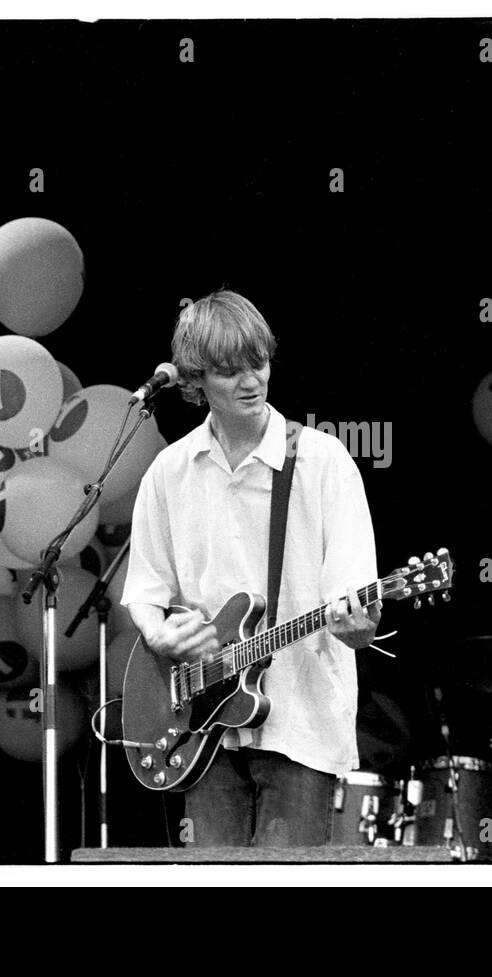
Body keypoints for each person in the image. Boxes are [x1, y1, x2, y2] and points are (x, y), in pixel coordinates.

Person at [122, 289, 381, 848]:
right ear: (194, 382)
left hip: (300, 723)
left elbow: (354, 601)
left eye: (257, 363)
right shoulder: (169, 471)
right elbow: (144, 589)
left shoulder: (322, 462)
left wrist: (357, 624)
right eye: (227, 371)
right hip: (196, 722)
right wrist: (159, 633)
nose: (250, 381)